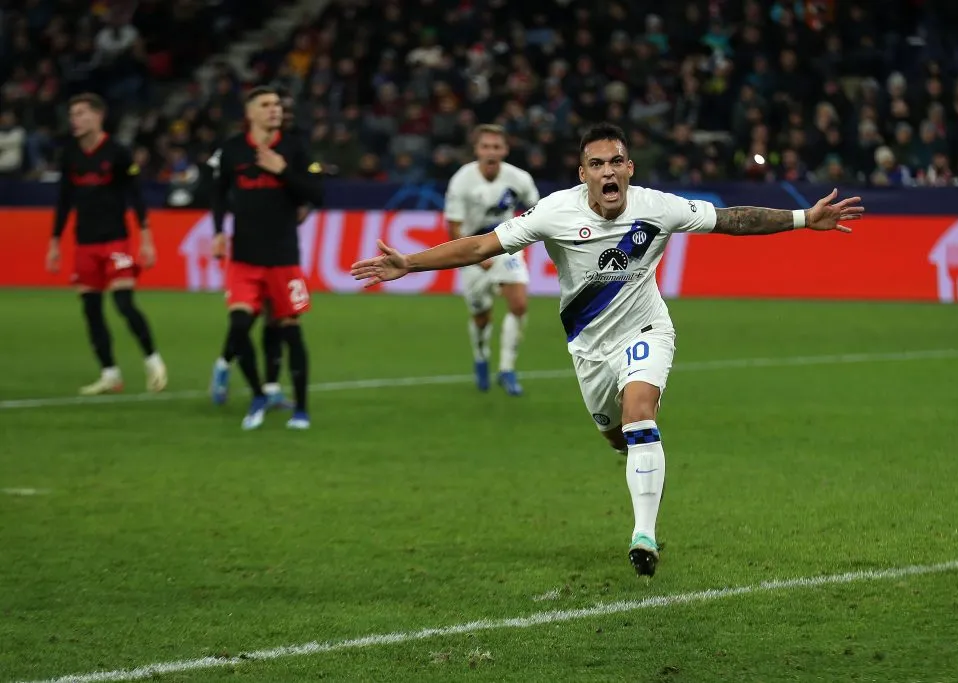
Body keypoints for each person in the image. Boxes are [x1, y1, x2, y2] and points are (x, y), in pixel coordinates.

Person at [352, 123, 864, 576]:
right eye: (596, 164)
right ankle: (636, 461)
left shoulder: (656, 206)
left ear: (629, 167)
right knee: (620, 438)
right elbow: (482, 244)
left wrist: (803, 218)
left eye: (616, 161)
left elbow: (732, 219)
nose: (608, 171)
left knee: (641, 416)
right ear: (583, 174)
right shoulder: (554, 213)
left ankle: (643, 535)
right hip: (589, 349)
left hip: (647, 330)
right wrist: (411, 263)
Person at [210, 86, 324, 430]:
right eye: (266, 104)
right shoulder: (231, 151)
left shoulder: (294, 149)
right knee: (240, 326)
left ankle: (301, 409)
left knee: (291, 332)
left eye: (277, 104)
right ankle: (259, 393)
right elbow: (216, 192)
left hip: (284, 258)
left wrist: (283, 170)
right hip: (244, 258)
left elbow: (316, 193)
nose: (274, 109)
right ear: (251, 114)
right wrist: (217, 231)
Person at [46, 92, 168, 396]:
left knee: (124, 303)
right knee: (91, 310)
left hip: (117, 243)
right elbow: (64, 201)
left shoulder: (117, 152)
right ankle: (109, 373)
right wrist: (55, 242)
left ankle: (153, 360)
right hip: (84, 243)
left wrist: (147, 239)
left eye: (81, 113)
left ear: (98, 116)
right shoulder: (70, 155)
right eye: (72, 114)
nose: (75, 119)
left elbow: (136, 197)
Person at [443, 124, 539, 395]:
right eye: (486, 146)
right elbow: (453, 227)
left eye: (497, 147)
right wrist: (475, 256)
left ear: (505, 150)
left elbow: (536, 209)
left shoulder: (519, 178)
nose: (491, 152)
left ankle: (507, 369)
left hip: (505, 244)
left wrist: (521, 235)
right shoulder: (462, 180)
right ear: (477, 150)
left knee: (519, 304)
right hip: (472, 250)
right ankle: (481, 356)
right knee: (481, 315)